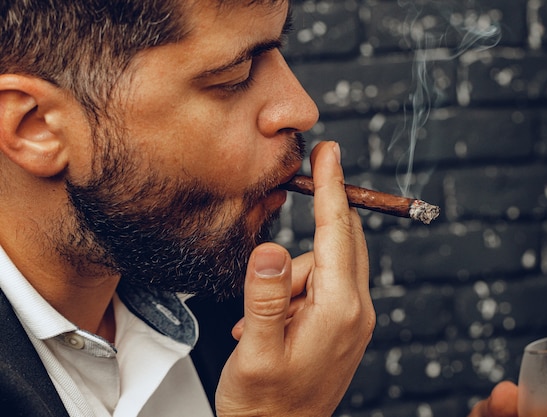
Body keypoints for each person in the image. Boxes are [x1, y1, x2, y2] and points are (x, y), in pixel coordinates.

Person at [0, 1, 375, 416]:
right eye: (234, 76)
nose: (302, 109)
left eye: (277, 49)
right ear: (37, 128)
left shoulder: (209, 277)